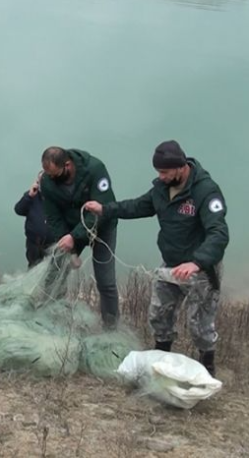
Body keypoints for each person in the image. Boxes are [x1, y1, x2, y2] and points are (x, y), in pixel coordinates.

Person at [84, 140, 228, 375]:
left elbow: (219, 233)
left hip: (200, 269)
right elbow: (138, 206)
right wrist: (105, 209)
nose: (160, 177)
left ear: (181, 167)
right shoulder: (161, 189)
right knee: (159, 315)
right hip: (170, 265)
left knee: (199, 325)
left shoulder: (205, 191)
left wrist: (197, 262)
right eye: (158, 172)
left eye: (164, 172)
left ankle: (207, 367)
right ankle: (162, 359)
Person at [40, 146, 119, 327]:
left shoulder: (95, 170)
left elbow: (101, 209)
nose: (50, 178)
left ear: (67, 165)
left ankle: (111, 327)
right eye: (48, 174)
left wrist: (74, 238)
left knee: (106, 282)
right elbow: (53, 216)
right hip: (69, 229)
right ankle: (49, 319)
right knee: (55, 274)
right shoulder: (47, 181)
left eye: (54, 174)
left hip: (102, 228)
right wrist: (71, 249)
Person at [14, 171, 54, 268]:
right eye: (40, 181)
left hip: (53, 245)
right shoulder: (31, 196)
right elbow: (18, 210)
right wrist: (29, 196)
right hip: (34, 244)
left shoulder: (58, 197)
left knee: (52, 271)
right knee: (33, 268)